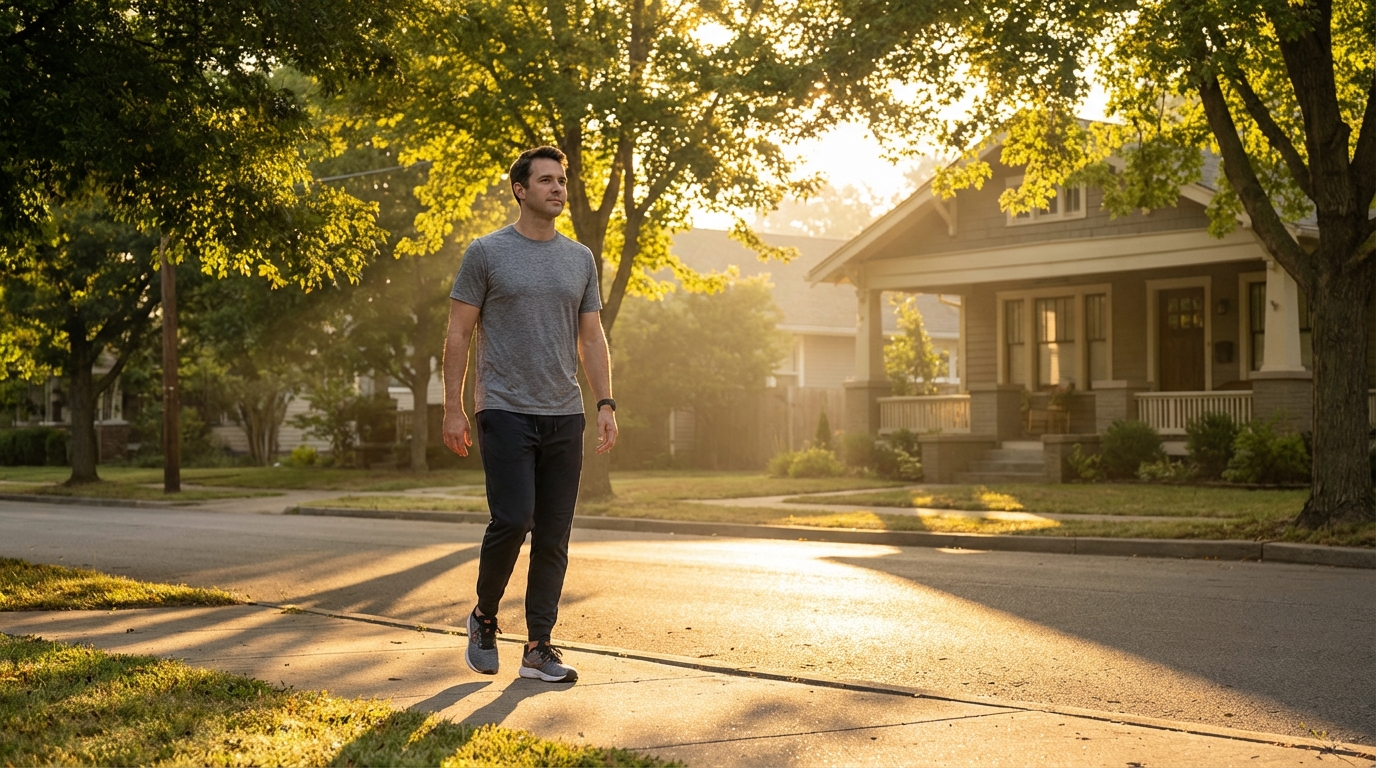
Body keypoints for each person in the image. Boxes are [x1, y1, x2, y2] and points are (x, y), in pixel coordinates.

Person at [441, 145, 617, 684]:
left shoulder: (580, 258)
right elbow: (458, 333)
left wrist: (605, 401)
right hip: (504, 406)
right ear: (520, 189)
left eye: (562, 180)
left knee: (555, 534)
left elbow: (592, 337)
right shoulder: (486, 253)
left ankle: (538, 646)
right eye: (546, 180)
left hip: (564, 413)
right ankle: (484, 616)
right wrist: (453, 406)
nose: (558, 188)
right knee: (514, 518)